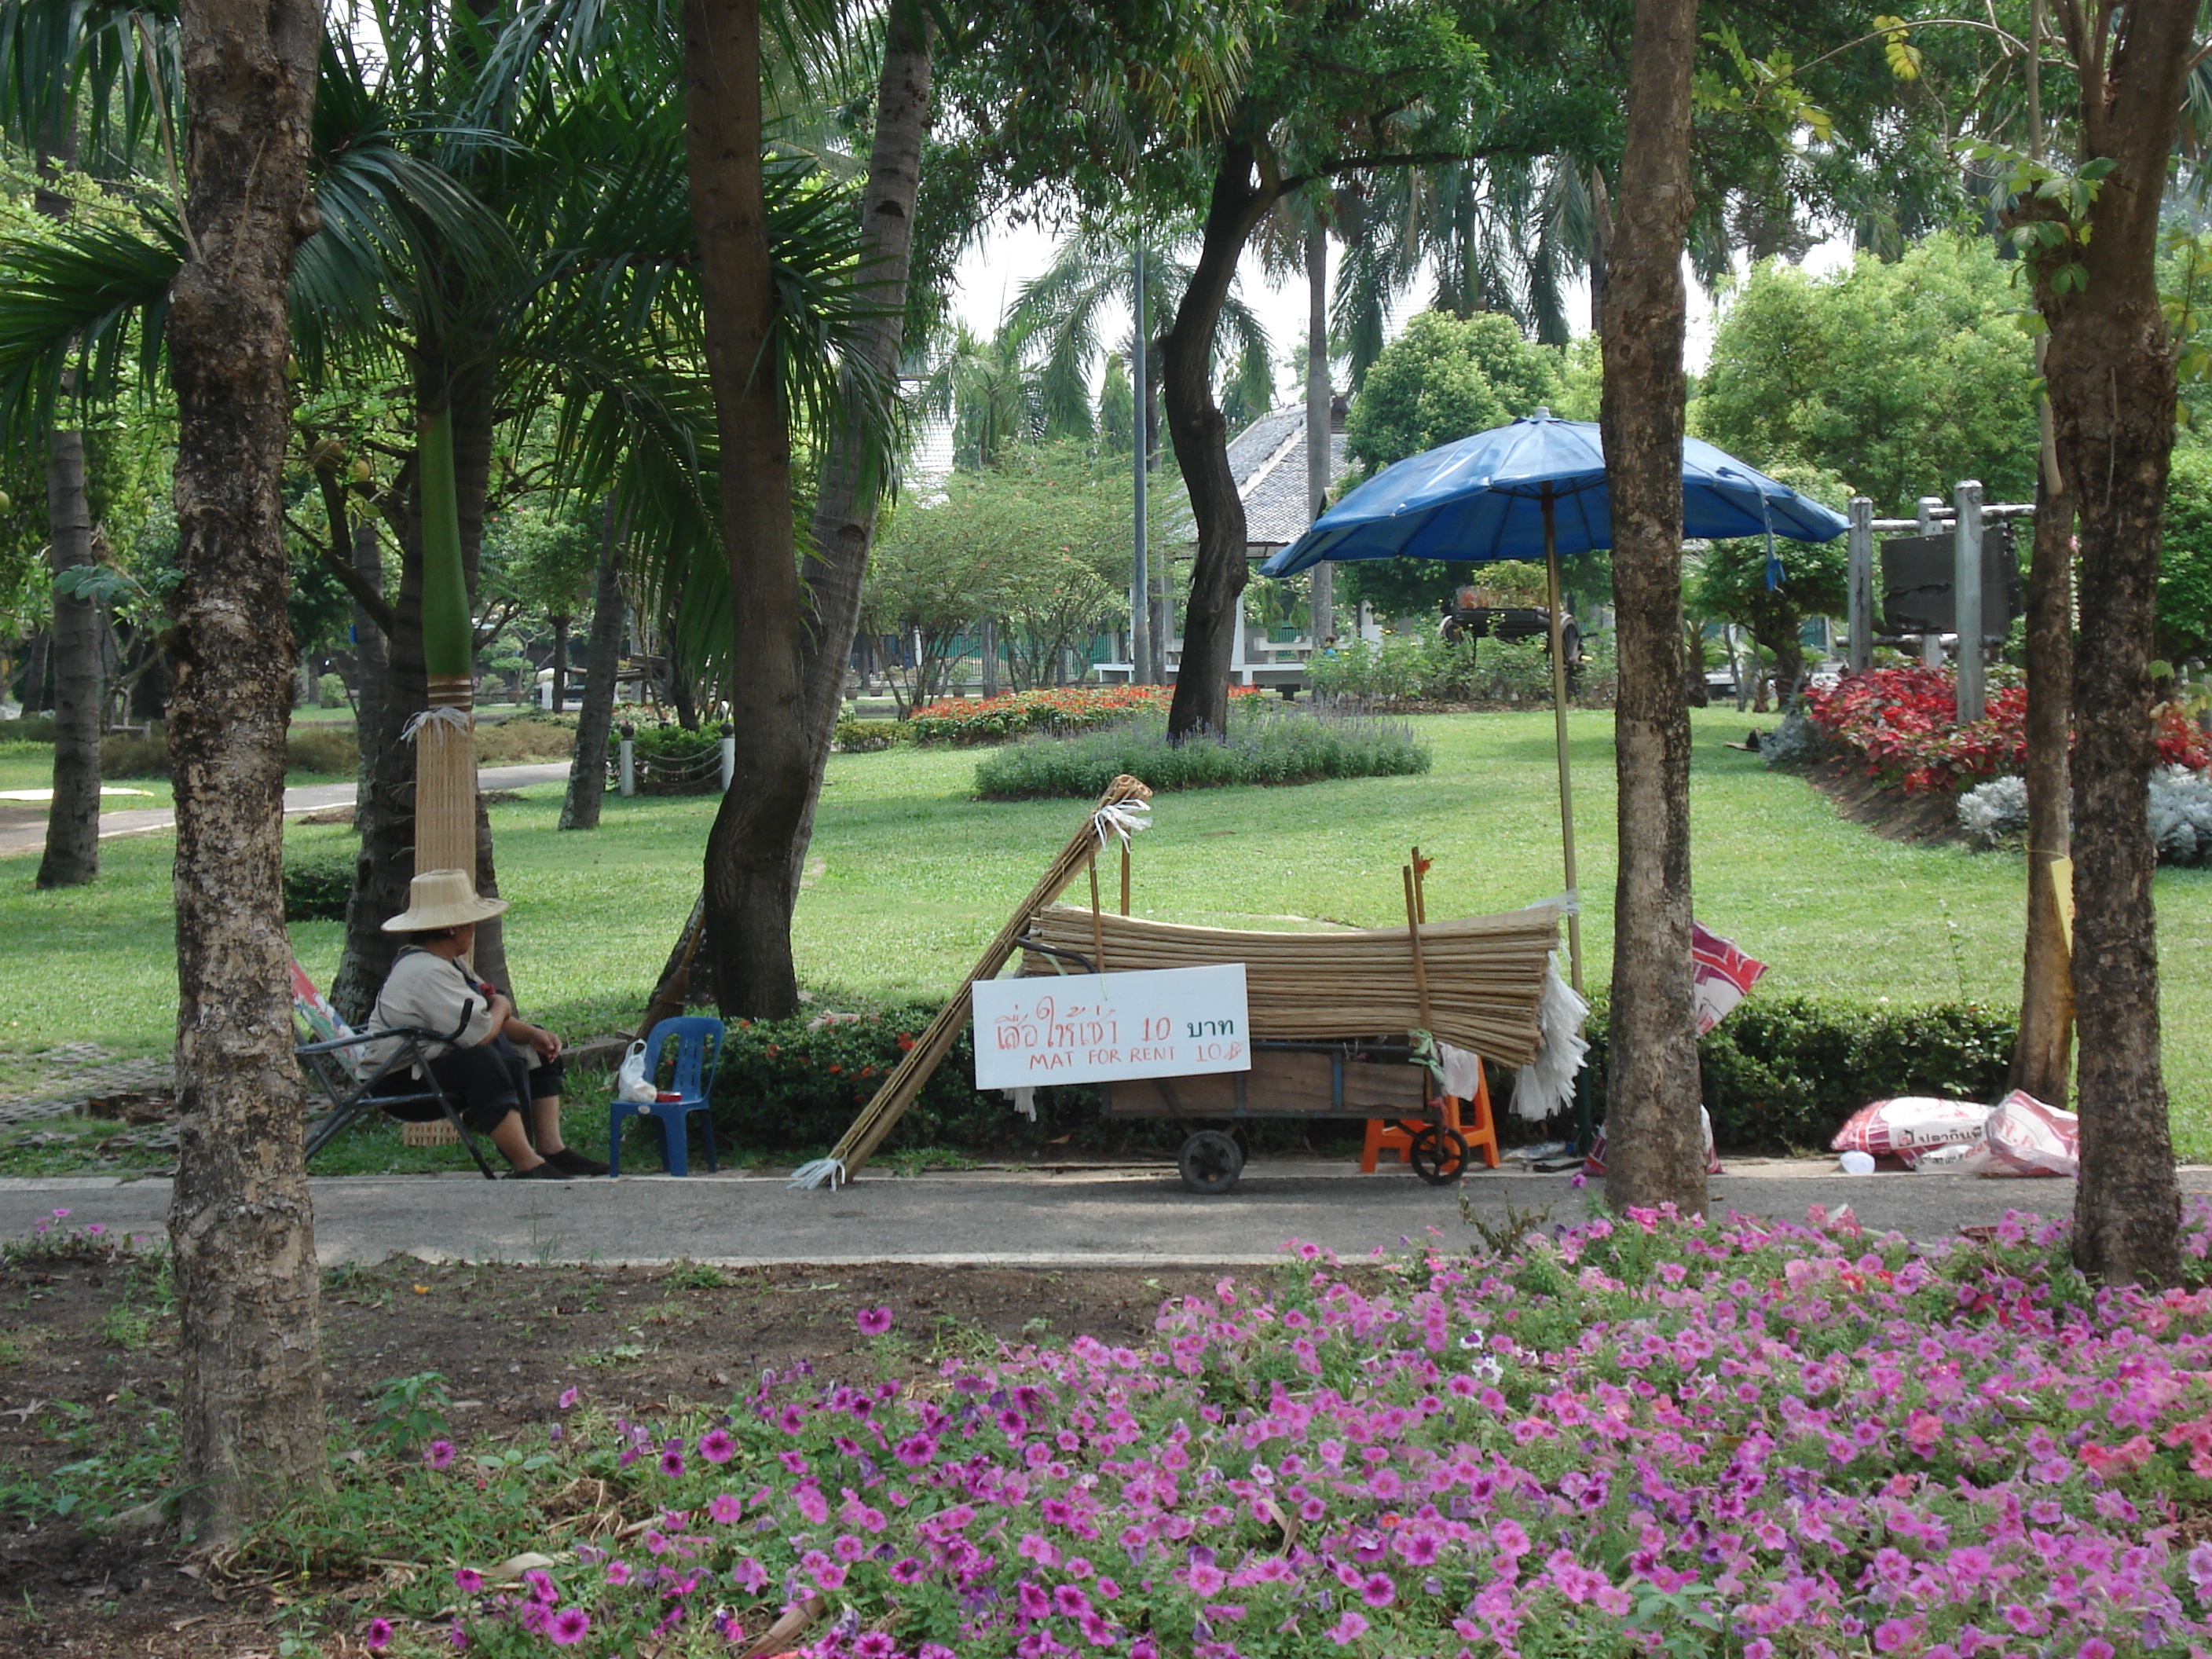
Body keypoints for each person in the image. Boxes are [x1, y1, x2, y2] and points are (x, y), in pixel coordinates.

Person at [367, 869, 608, 1178]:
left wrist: (534, 1034)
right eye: (470, 923)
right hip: (401, 1079)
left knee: (536, 1049)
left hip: (430, 1066)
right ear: (453, 928)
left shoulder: (449, 965)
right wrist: (502, 1004)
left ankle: (551, 1150)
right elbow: (480, 1035)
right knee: (481, 1061)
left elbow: (489, 1015)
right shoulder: (426, 972)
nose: (473, 931)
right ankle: (526, 1163)